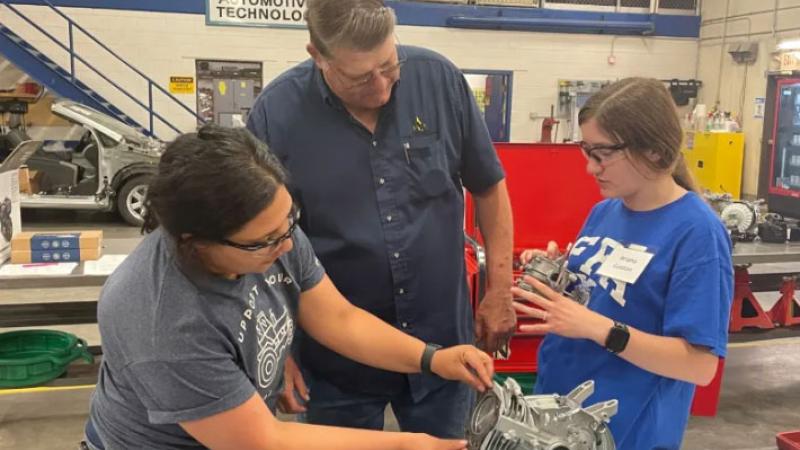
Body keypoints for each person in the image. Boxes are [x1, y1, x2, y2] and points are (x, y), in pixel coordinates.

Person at [83, 125, 495, 450]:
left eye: (289, 222)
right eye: (265, 240)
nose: (285, 245)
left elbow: (338, 318)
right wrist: (404, 444)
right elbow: (265, 441)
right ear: (195, 242)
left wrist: (433, 359)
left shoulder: (270, 225)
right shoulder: (162, 320)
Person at [245, 0, 515, 438]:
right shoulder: (277, 115)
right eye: (359, 77)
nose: (381, 87)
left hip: (443, 345)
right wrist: (280, 348)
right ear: (318, 55)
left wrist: (500, 290)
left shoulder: (440, 80)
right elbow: (262, 240)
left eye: (389, 66)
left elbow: (489, 187)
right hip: (336, 359)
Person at [513, 77, 733, 450]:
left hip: (627, 432)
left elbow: (699, 365)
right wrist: (560, 276)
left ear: (654, 151)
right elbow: (605, 300)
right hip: (560, 421)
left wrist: (601, 329)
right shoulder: (605, 212)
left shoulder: (697, 233)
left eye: (602, 154)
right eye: (587, 153)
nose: (590, 168)